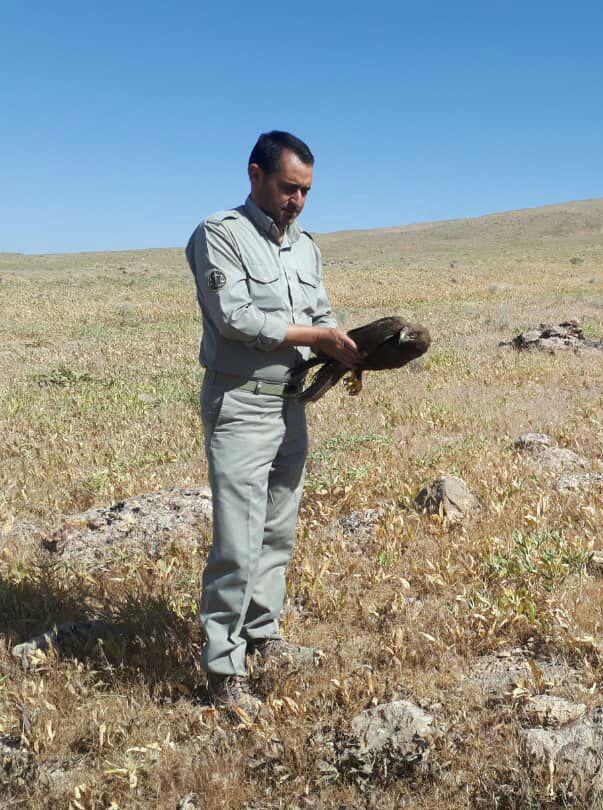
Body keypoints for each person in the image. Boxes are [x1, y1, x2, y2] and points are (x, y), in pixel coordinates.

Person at [186, 131, 359, 717]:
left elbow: (321, 312)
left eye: (306, 191)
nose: (297, 202)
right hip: (239, 402)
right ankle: (223, 668)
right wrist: (317, 338)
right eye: (289, 188)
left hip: (290, 402)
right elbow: (234, 317)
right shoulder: (219, 235)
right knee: (238, 537)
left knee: (278, 530)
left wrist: (348, 347)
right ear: (255, 174)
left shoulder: (305, 247)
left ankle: (264, 635)